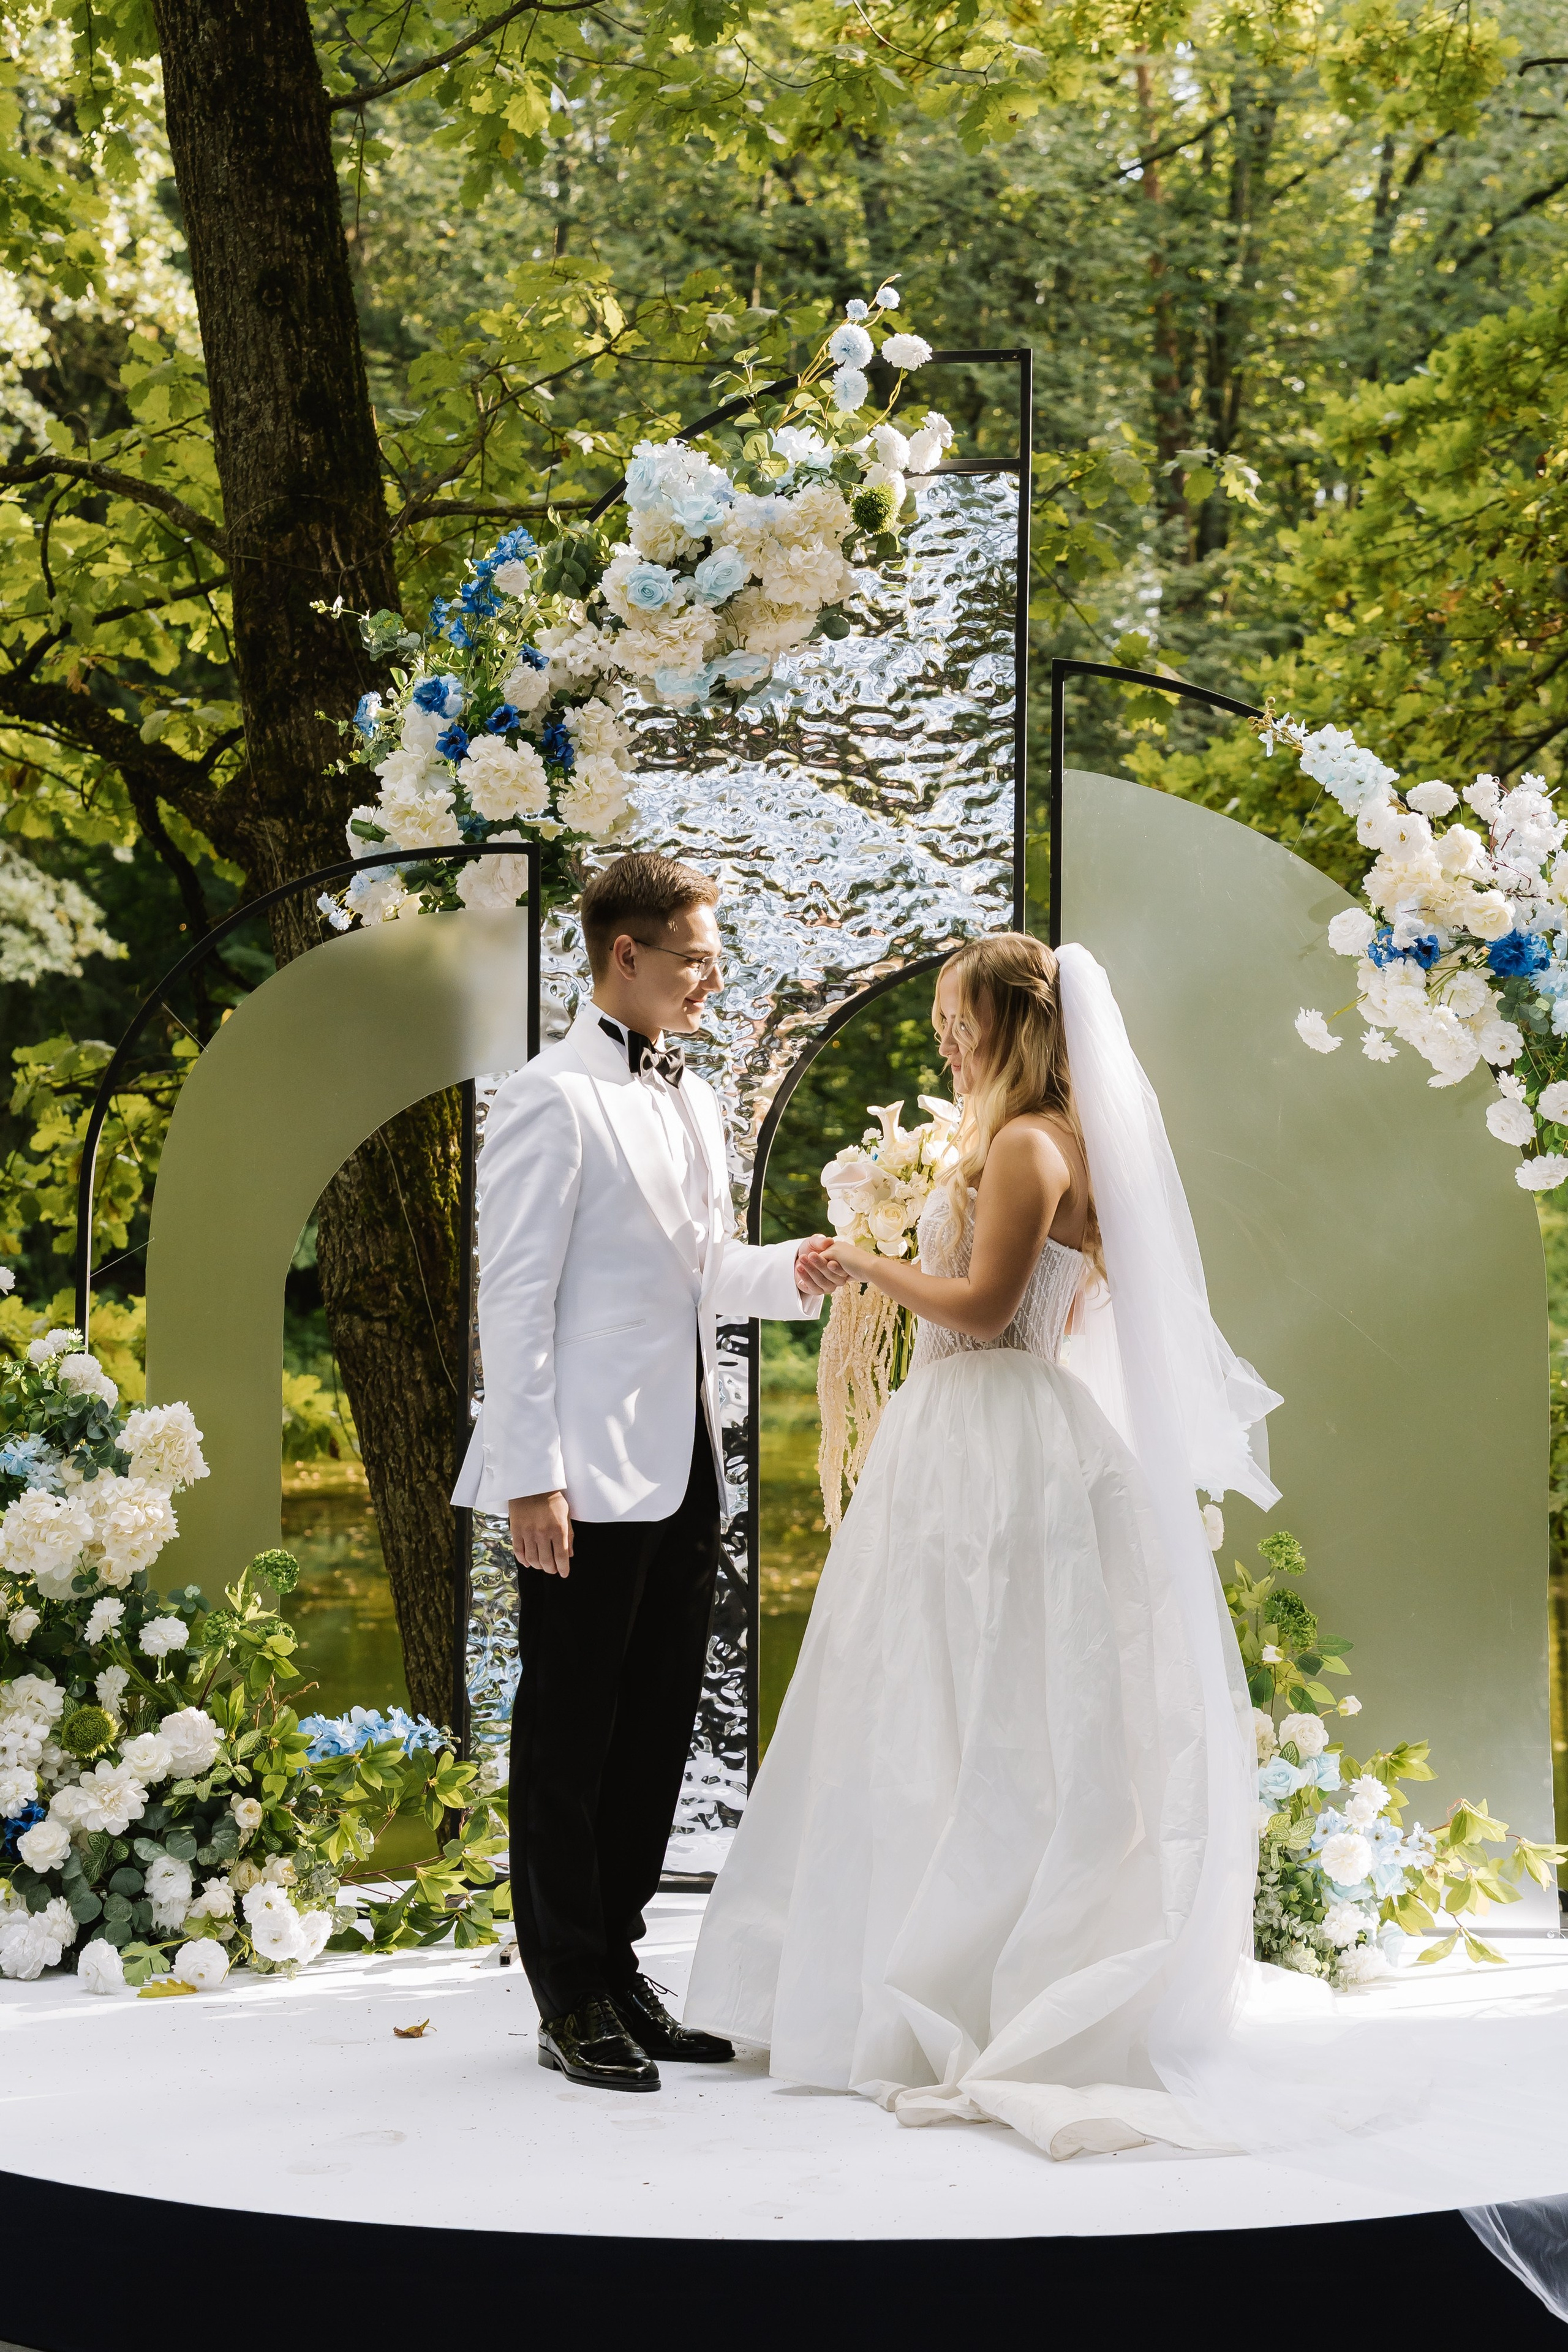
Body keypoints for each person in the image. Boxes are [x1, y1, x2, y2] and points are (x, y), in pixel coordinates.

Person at [685, 932, 1283, 2158]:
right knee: (977, 1693)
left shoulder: (1023, 1146)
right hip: (1000, 1430)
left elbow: (986, 1309)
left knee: (953, 1689)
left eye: (957, 1021)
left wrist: (868, 1263)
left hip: (988, 1430)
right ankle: (945, 1944)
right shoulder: (1061, 1138)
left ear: (1008, 1023)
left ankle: (942, 1974)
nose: (943, 1042)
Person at [453, 851, 842, 2093]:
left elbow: (705, 1267)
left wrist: (800, 1267)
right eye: (695, 958)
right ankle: (565, 1993)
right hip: (578, 1472)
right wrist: (530, 1476)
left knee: (656, 1727)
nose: (711, 977)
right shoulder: (548, 1097)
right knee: (568, 1733)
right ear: (625, 954)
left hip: (686, 1463)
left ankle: (617, 1967)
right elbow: (513, 1301)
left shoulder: (691, 1095)